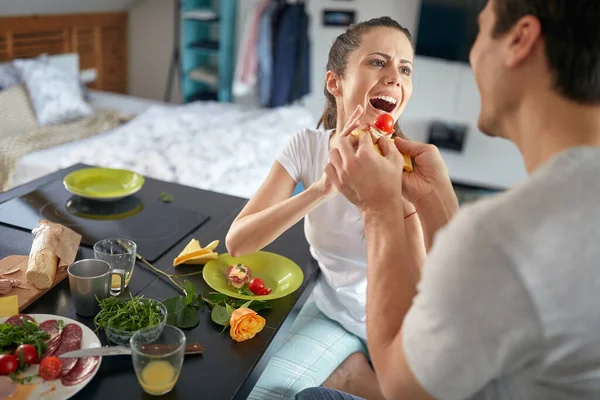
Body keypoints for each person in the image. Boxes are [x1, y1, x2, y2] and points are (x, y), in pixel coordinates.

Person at [297, 0, 600, 399]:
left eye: (482, 30)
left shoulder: (503, 234)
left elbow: (402, 386)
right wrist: (439, 205)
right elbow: (481, 299)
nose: (473, 55)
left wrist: (379, 208)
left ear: (520, 39)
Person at [226, 17, 425, 400]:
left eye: (404, 69)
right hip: (335, 315)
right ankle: (350, 375)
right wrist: (321, 189)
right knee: (258, 395)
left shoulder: (412, 169)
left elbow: (421, 286)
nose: (395, 77)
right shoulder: (306, 147)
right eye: (378, 62)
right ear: (335, 82)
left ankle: (353, 377)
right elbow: (238, 243)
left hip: (404, 331)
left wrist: (392, 196)